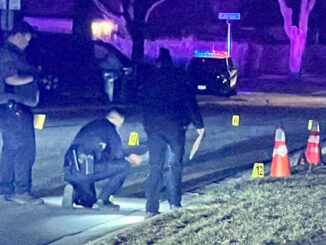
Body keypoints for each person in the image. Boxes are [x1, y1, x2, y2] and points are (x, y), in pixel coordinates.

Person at [139, 48, 205, 216]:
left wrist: (147, 124)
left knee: (155, 166)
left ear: (158, 63)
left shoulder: (150, 79)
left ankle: (151, 206)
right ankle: (174, 202)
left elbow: (142, 101)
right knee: (174, 165)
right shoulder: (179, 79)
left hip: (153, 127)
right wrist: (199, 124)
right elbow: (189, 101)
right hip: (174, 127)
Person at [62, 108, 142, 209]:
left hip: (70, 169)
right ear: (115, 119)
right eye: (119, 125)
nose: (118, 127)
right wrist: (130, 157)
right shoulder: (109, 128)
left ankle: (74, 191)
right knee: (124, 166)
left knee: (88, 202)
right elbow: (118, 153)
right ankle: (104, 200)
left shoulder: (91, 126)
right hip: (86, 170)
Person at [0, 21, 43, 204]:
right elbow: (11, 79)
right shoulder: (8, 54)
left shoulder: (10, 53)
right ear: (17, 36)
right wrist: (33, 77)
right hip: (15, 107)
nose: (27, 43)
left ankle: (5, 187)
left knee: (10, 148)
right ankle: (21, 191)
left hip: (9, 108)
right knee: (25, 149)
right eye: (26, 40)